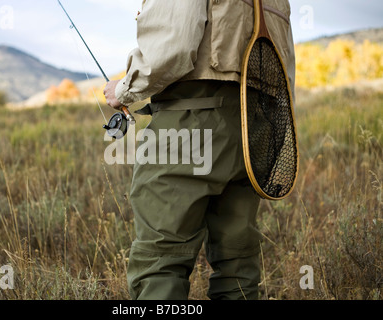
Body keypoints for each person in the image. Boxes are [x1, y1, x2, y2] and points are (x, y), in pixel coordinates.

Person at [104, 0, 295, 300]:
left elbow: (172, 47)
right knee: (238, 261)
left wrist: (124, 89)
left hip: (192, 116)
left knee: (161, 259)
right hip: (256, 124)